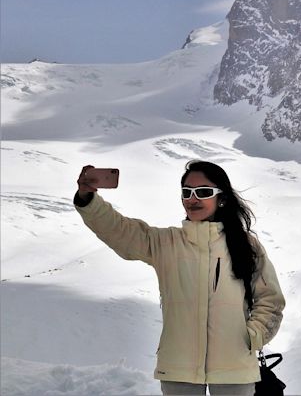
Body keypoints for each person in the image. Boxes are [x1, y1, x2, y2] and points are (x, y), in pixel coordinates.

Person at [74, 160, 285, 396]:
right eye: (187, 192)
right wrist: (87, 199)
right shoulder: (166, 243)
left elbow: (271, 301)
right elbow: (120, 231)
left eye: (203, 192)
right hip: (179, 369)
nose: (193, 199)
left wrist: (251, 336)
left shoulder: (247, 245)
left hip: (234, 369)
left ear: (221, 197)